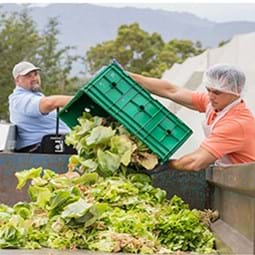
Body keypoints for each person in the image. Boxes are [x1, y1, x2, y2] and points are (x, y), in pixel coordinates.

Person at [129, 64, 255, 171]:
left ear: (236, 91)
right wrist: (130, 77)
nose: (211, 96)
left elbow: (195, 162)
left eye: (217, 92)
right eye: (208, 90)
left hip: (246, 183)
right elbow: (172, 91)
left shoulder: (236, 124)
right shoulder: (215, 103)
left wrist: (160, 164)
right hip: (230, 175)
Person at [9, 61, 73, 153]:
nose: (34, 78)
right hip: (37, 149)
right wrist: (80, 100)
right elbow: (49, 103)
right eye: (28, 76)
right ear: (17, 80)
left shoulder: (36, 96)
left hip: (54, 145)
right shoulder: (19, 99)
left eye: (35, 74)